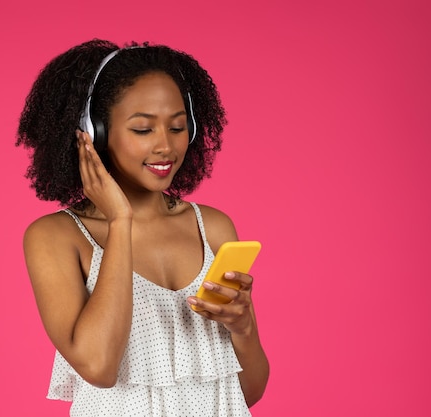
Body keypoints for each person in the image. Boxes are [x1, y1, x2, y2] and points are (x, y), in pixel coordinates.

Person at [16, 39, 269, 416]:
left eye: (178, 126)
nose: (166, 146)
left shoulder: (212, 227)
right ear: (95, 134)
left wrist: (243, 329)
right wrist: (120, 222)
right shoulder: (57, 237)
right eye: (142, 130)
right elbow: (99, 367)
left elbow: (244, 395)